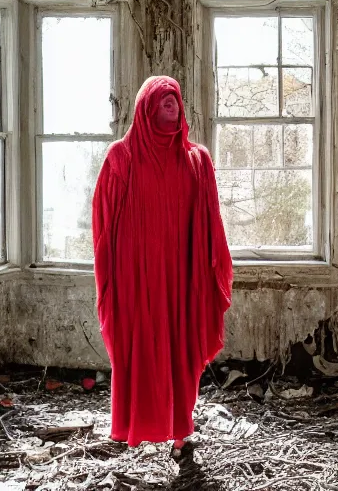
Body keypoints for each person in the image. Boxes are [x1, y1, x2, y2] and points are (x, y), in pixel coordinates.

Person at [92, 75, 233, 450]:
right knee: (140, 354)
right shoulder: (121, 158)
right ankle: (139, 427)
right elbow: (104, 220)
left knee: (181, 353)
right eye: (162, 98)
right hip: (137, 276)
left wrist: (206, 265)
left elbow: (210, 218)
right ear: (145, 108)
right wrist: (113, 277)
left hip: (183, 276)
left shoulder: (196, 159)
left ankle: (181, 434)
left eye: (175, 98)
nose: (171, 102)